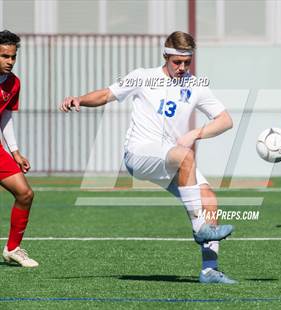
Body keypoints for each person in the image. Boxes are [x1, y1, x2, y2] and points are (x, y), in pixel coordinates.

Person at [60, 31, 236, 283]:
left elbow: (225, 121)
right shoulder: (143, 76)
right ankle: (199, 228)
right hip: (139, 152)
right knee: (186, 157)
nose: (182, 67)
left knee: (209, 198)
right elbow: (106, 94)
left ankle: (209, 270)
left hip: (170, 158)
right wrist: (80, 99)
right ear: (165, 55)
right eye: (177, 62)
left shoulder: (196, 85)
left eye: (187, 62)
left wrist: (196, 133)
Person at [0, 30, 38, 267]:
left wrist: (15, 152)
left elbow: (5, 118)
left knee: (25, 194)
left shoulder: (14, 83)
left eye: (13, 56)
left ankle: (13, 248)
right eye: (4, 56)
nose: (10, 61)